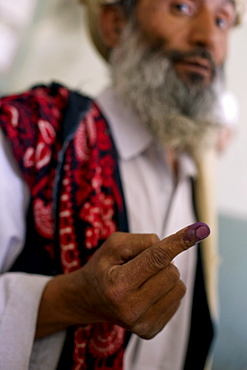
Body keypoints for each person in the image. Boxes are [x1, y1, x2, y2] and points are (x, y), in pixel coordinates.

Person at [0, 0, 245, 369]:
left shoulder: (195, 177)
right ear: (115, 24)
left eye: (223, 18)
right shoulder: (32, 134)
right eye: (181, 7)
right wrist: (70, 301)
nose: (208, 38)